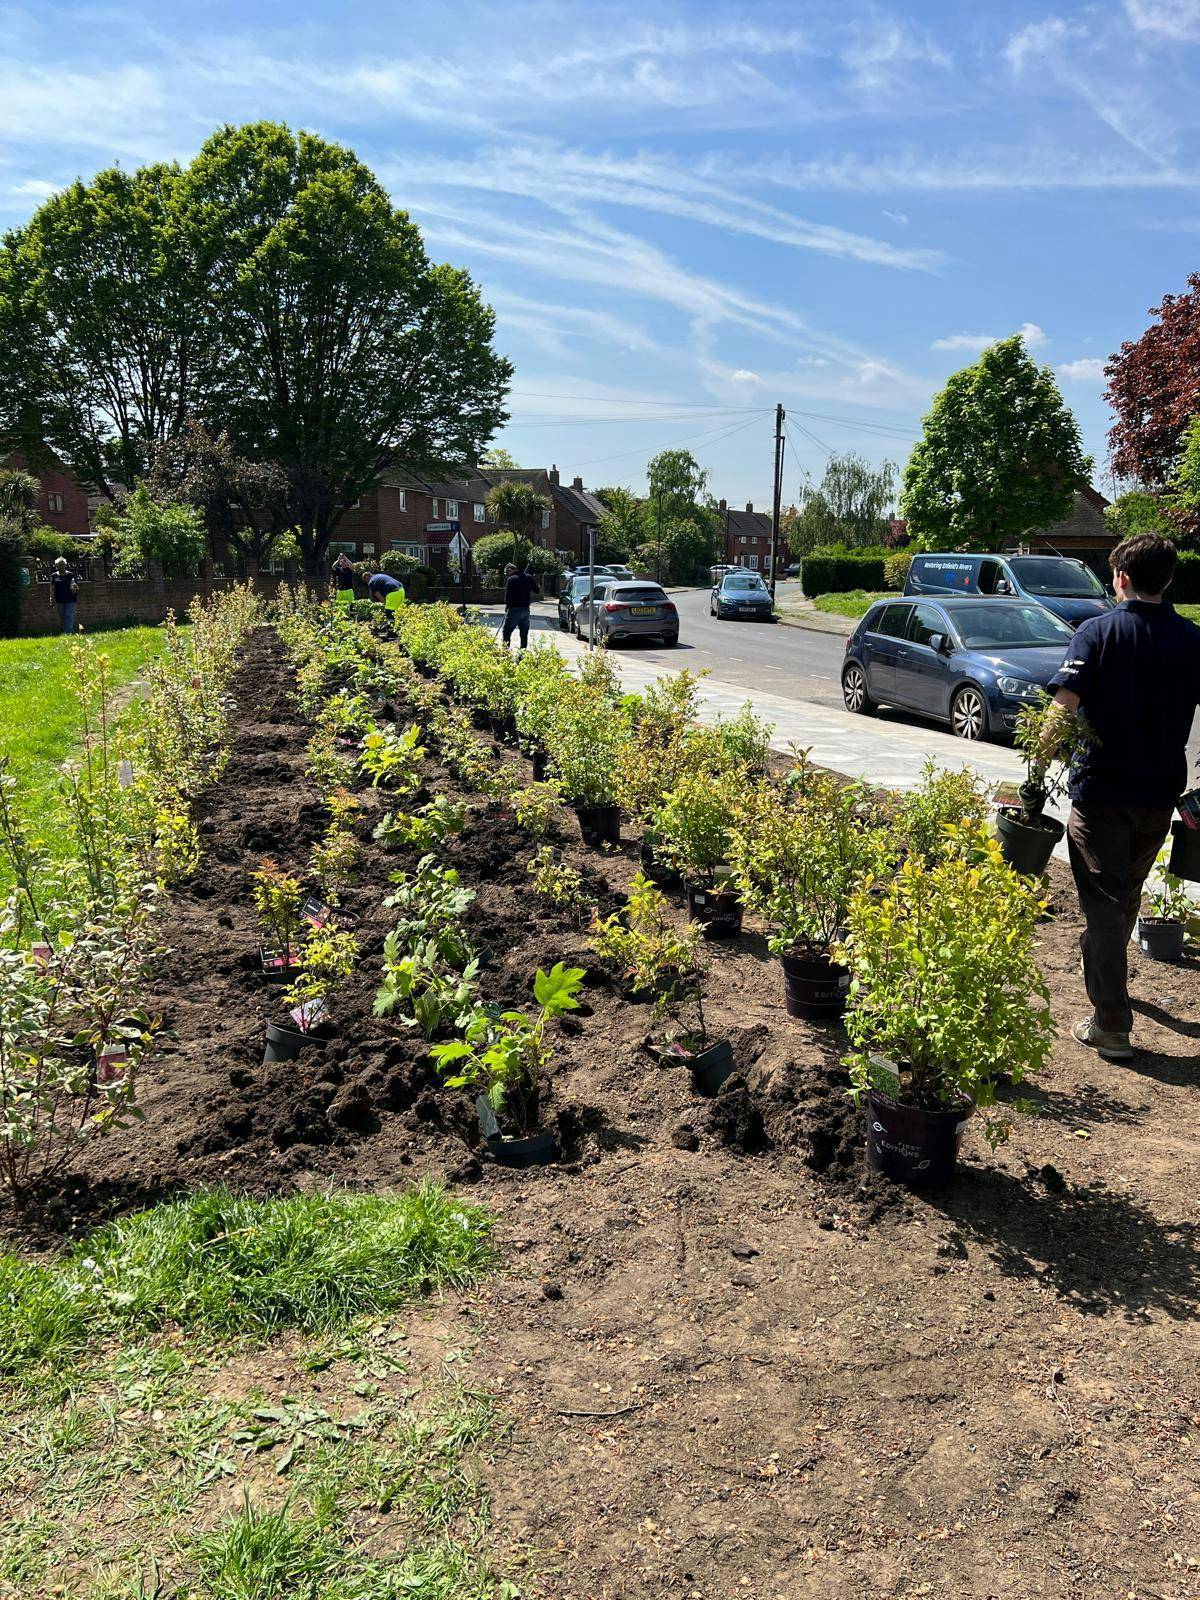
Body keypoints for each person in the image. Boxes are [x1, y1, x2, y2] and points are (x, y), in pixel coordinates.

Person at [1046, 532, 1200, 1063]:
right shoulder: (1192, 639)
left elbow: (1062, 707)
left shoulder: (1096, 633)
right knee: (1126, 890)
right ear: (1170, 580)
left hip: (1101, 793)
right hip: (1159, 796)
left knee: (1105, 907)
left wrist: (1036, 765)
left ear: (1121, 579)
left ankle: (1111, 1023)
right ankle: (1112, 989)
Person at [501, 561, 537, 651]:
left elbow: (508, 597)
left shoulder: (511, 580)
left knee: (507, 632)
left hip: (514, 610)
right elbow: (537, 590)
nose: (507, 575)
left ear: (510, 570)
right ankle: (522, 655)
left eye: (507, 573)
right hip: (525, 610)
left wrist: (507, 607)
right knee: (524, 634)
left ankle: (506, 654)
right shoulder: (528, 577)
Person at [50, 557, 78, 634]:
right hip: (59, 600)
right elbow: (52, 588)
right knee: (63, 617)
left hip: (71, 600)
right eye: (60, 565)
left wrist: (75, 588)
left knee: (68, 617)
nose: (62, 566)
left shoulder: (70, 575)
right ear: (57, 566)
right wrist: (51, 599)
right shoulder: (54, 575)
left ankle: (68, 634)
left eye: (64, 565)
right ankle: (67, 631)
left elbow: (75, 587)